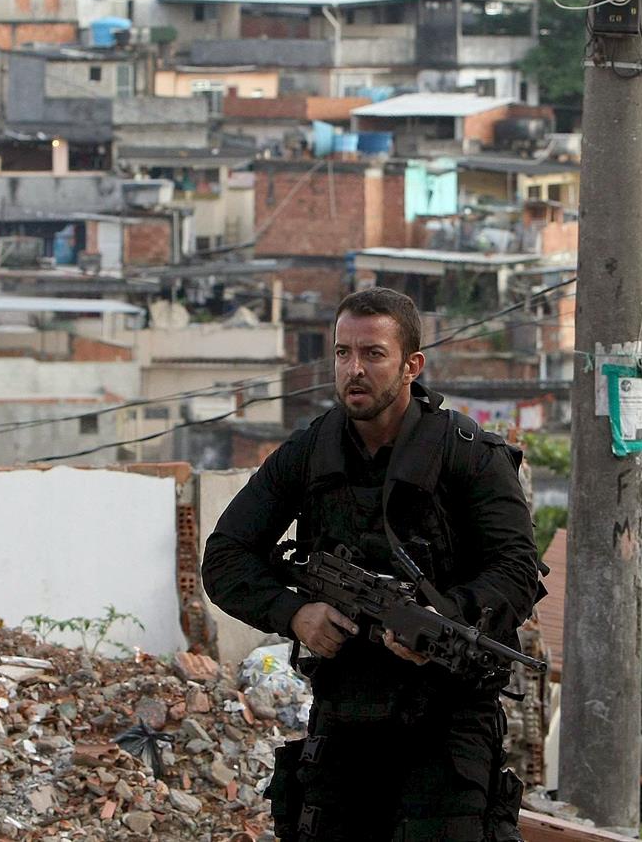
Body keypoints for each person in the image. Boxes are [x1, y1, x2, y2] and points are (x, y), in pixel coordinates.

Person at [201, 286, 543, 842]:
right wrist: (294, 614)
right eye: (342, 353)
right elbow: (225, 556)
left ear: (412, 366)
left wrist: (441, 623)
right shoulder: (309, 453)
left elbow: (516, 570)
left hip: (447, 718)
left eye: (373, 354)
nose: (353, 369)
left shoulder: (468, 454)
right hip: (346, 714)